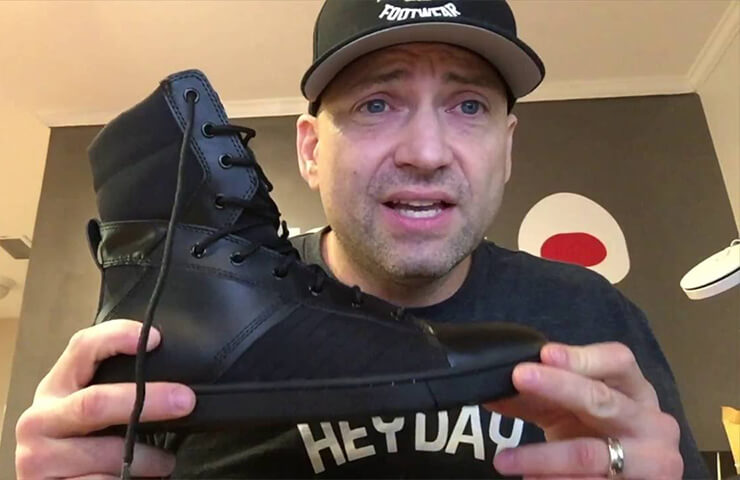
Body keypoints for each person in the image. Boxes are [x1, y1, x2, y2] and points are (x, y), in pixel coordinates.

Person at [15, 0, 709, 478]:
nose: (426, 152)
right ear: (311, 150)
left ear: (506, 149)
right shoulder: (179, 339)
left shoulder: (593, 314)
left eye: (468, 105)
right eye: (377, 103)